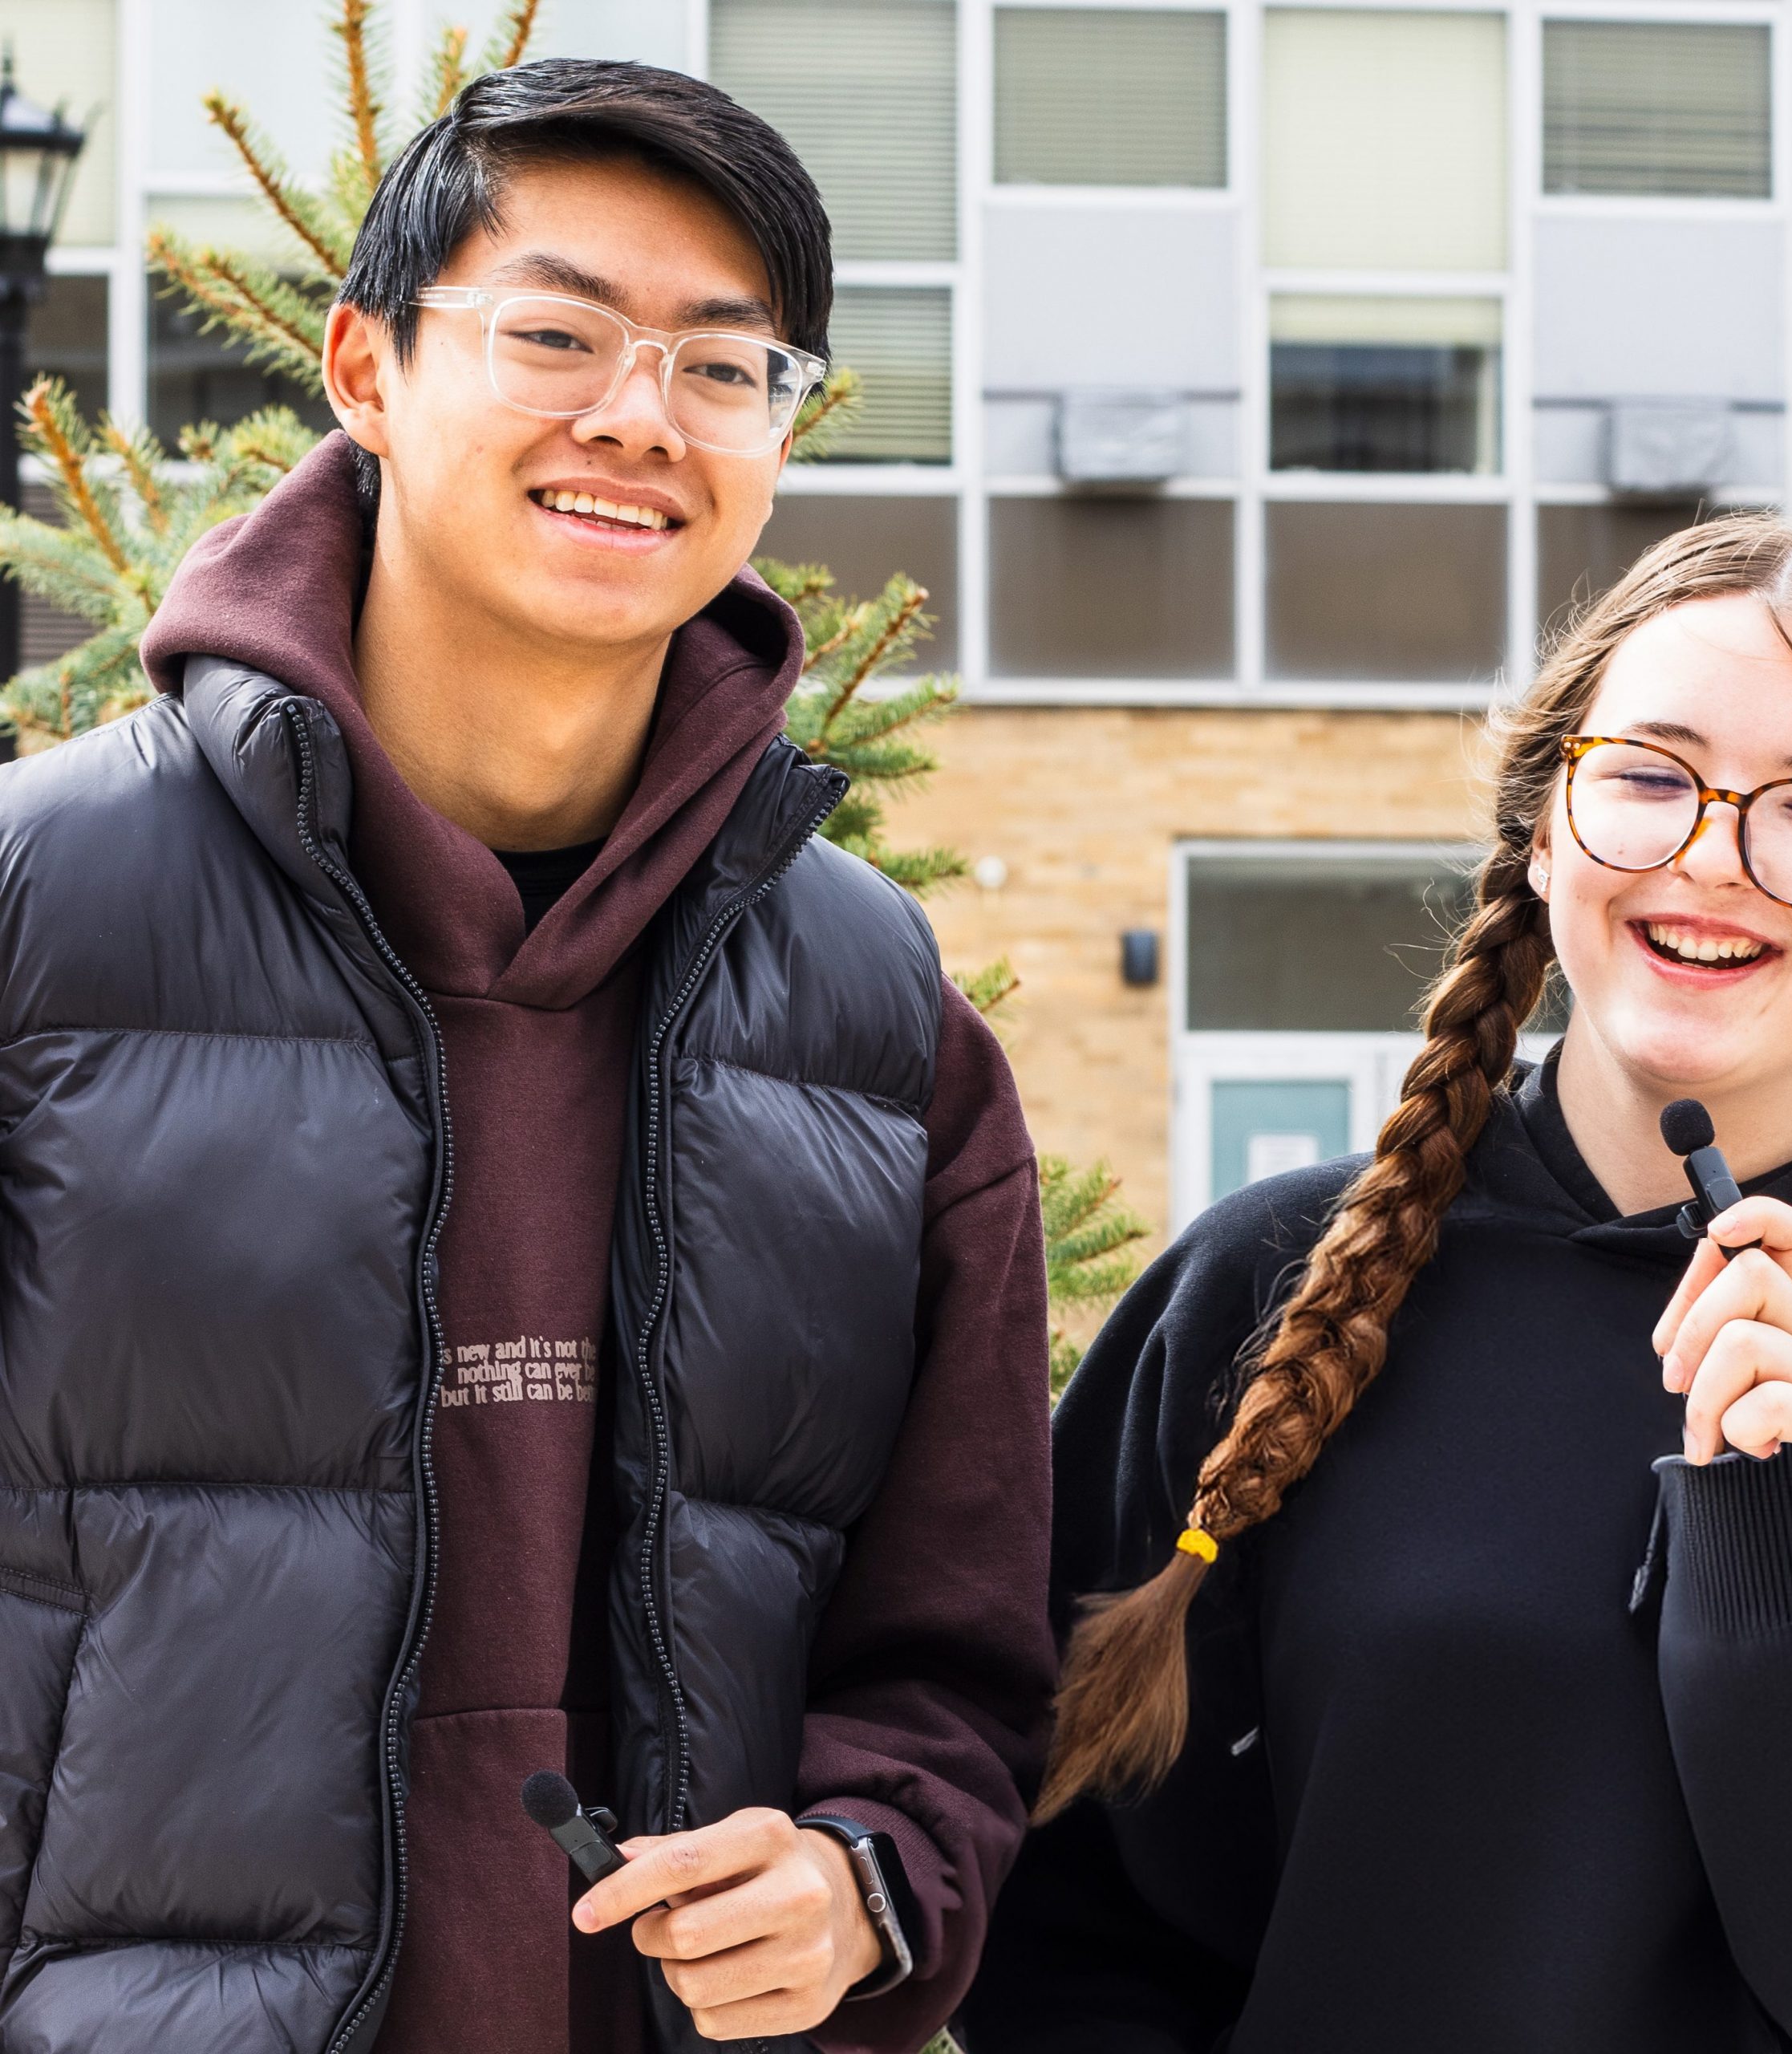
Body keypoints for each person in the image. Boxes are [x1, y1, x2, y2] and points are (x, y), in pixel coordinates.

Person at [0, 59, 1053, 2054]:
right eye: (554, 333)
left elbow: (961, 1660)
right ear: (366, 370)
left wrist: (863, 1878)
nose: (639, 417)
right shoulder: (39, 911)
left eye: (726, 368)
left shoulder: (876, 1012)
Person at [963, 517, 1792, 2053]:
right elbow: (1060, 1897)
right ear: (1545, 827)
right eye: (1648, 776)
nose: (1706, 854)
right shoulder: (1268, 1291)